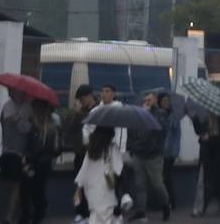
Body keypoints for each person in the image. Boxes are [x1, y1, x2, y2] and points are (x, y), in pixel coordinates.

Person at [130, 93, 169, 222]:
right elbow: (133, 131)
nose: (147, 101)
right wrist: (132, 147)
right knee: (140, 185)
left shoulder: (161, 114)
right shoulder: (139, 113)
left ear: (155, 100)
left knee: (157, 184)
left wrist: (147, 115)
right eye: (145, 99)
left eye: (149, 99)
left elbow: (160, 130)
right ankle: (141, 211)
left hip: (154, 154)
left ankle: (165, 205)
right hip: (139, 153)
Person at [22, 98, 60, 224]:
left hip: (36, 162)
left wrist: (27, 158)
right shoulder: (51, 124)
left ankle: (36, 215)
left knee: (33, 190)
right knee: (38, 190)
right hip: (45, 161)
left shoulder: (40, 126)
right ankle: (37, 214)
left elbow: (36, 146)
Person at [74, 125, 122, 224]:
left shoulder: (91, 149)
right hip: (106, 188)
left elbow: (84, 169)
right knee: (106, 217)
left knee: (95, 216)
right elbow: (118, 169)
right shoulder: (112, 148)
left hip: (91, 189)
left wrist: (79, 187)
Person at [0, 88, 34, 224]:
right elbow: (1, 125)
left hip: (20, 151)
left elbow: (28, 129)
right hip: (6, 149)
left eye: (14, 91)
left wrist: (18, 120)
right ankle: (22, 207)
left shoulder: (28, 107)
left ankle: (10, 215)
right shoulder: (7, 105)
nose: (11, 93)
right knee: (6, 183)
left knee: (16, 184)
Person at [63, 85, 96, 224]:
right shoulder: (79, 112)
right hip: (80, 153)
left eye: (82, 99)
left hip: (92, 154)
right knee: (78, 185)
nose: (81, 102)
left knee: (91, 185)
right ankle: (79, 211)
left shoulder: (97, 110)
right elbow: (68, 130)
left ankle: (89, 212)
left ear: (89, 96)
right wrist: (74, 114)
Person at [195, 107, 220, 216]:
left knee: (219, 183)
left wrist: (209, 139)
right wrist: (194, 118)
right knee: (202, 182)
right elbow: (200, 134)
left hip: (218, 158)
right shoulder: (205, 120)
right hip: (206, 157)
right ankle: (200, 208)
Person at [158, 94, 181, 216]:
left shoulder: (172, 116)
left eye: (167, 100)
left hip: (170, 151)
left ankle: (170, 202)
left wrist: (175, 151)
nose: (166, 103)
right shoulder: (160, 114)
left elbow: (174, 132)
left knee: (166, 177)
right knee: (165, 177)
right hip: (162, 150)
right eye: (164, 101)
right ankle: (168, 202)